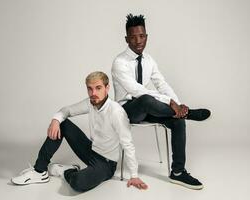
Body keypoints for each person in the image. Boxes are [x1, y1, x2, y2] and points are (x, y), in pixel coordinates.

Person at [111, 14, 211, 190]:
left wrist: (177, 106)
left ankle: (178, 172)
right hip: (127, 110)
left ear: (146, 37)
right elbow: (136, 90)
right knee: (146, 99)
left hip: (150, 107)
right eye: (133, 37)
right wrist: (169, 102)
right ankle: (190, 113)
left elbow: (161, 84)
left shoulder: (149, 60)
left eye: (141, 36)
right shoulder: (119, 62)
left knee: (177, 121)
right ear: (126, 39)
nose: (138, 41)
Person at [11, 71, 148, 192]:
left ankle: (65, 170)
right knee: (62, 122)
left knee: (77, 183)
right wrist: (55, 120)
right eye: (90, 89)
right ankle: (39, 170)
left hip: (106, 163)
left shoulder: (116, 112)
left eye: (98, 88)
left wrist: (134, 176)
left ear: (107, 88)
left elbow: (127, 144)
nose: (93, 93)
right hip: (91, 150)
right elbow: (67, 110)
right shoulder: (91, 102)